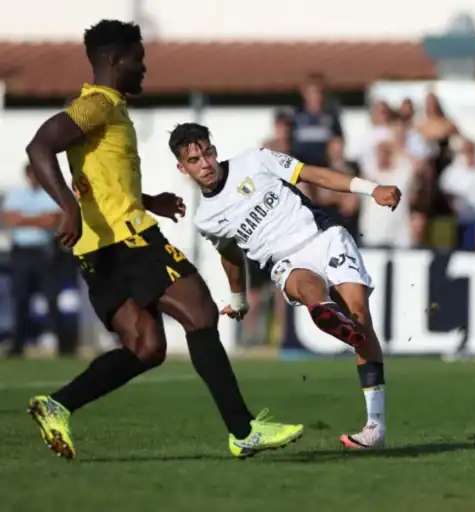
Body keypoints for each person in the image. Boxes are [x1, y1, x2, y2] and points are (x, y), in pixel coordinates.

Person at [24, 19, 302, 460]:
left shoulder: (104, 108)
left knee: (147, 347)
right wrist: (69, 208)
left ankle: (57, 405)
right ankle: (243, 430)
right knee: (199, 309)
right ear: (115, 61)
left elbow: (101, 174)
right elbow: (39, 146)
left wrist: (146, 198)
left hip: (98, 249)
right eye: (139, 59)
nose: (144, 68)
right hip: (128, 240)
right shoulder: (98, 104)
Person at [167, 122, 401, 449]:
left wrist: (370, 188)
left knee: (360, 314)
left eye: (207, 153)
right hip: (285, 262)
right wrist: (238, 299)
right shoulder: (206, 218)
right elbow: (230, 257)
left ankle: (374, 425)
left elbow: (313, 174)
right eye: (194, 160)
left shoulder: (255, 160)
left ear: (214, 150)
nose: (205, 164)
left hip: (323, 235)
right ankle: (329, 315)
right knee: (311, 291)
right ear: (182, 167)